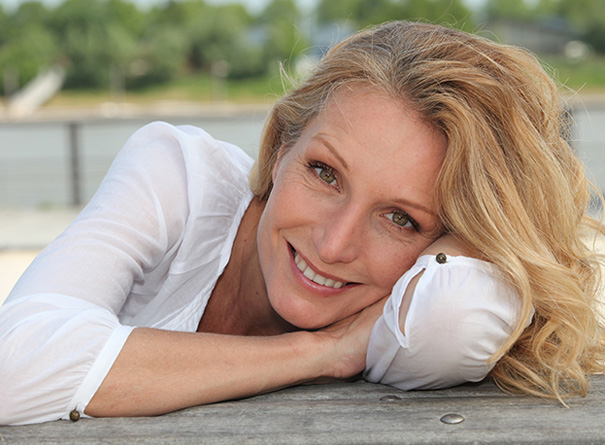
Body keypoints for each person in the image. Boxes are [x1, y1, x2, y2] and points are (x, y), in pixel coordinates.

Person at [1, 21, 603, 425]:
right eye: (325, 173)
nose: (334, 244)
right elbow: (12, 367)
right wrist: (323, 351)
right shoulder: (177, 176)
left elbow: (459, 312)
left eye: (401, 218)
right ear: (281, 146)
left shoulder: (418, 307)